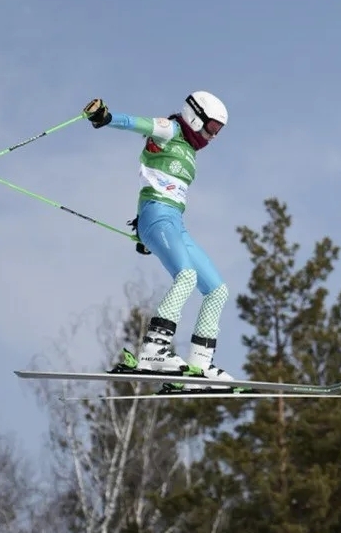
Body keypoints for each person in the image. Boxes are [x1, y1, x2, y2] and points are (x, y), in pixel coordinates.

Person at [82, 92, 239, 389]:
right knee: (187, 276)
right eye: (211, 128)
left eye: (218, 131)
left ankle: (199, 365)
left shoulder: (190, 151)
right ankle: (154, 351)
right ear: (195, 116)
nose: (212, 137)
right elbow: (137, 123)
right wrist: (106, 117)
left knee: (218, 290)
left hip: (175, 222)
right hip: (156, 214)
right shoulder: (171, 129)